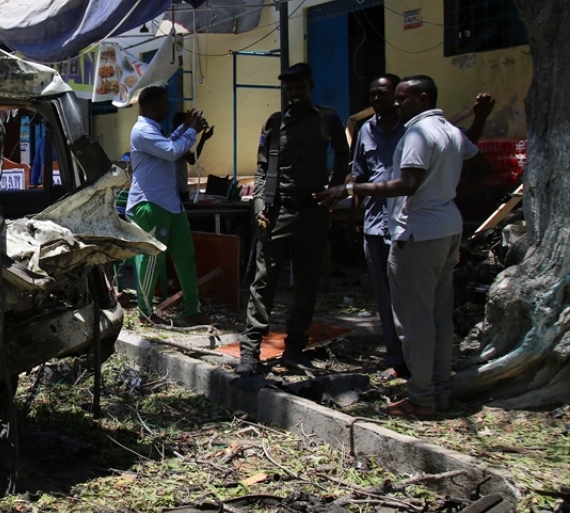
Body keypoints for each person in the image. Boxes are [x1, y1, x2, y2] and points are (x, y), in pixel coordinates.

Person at [320, 76, 492, 417]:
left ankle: (422, 397)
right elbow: (482, 169)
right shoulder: (450, 131)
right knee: (439, 316)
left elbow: (407, 183)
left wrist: (352, 190)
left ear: (423, 97)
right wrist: (447, 200)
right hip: (446, 230)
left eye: (403, 99)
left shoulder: (417, 133)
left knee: (414, 321)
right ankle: (440, 389)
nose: (397, 105)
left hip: (416, 235)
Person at [236, 63, 350, 375]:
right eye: (290, 89)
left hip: (313, 211)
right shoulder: (274, 124)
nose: (295, 93)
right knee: (263, 283)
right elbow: (261, 168)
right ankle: (250, 353)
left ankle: (295, 349)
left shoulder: (327, 119)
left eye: (300, 87)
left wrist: (335, 188)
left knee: (306, 283)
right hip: (277, 211)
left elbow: (343, 153)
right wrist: (259, 203)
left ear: (310, 86)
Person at [126, 86, 213, 326]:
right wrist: (193, 131)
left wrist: (184, 127)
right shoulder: (142, 131)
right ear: (153, 106)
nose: (168, 108)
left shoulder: (152, 130)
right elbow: (173, 150)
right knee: (153, 259)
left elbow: (168, 142)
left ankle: (192, 309)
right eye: (165, 104)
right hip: (151, 204)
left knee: (185, 257)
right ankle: (145, 312)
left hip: (170, 204)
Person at [172, 110, 215, 203]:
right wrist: (203, 139)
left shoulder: (174, 140)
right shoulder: (175, 142)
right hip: (175, 192)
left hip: (178, 190)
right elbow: (192, 159)